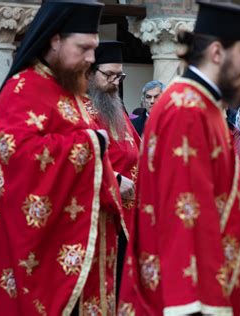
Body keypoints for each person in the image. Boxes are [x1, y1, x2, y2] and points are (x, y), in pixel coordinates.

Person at [117, 2, 240, 315]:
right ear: (217, 52)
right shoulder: (187, 110)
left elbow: (201, 190)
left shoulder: (203, 104)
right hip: (188, 296)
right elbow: (181, 212)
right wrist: (193, 305)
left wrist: (237, 193)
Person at [0, 1, 123, 314]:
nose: (91, 59)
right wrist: (90, 144)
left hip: (87, 246)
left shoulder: (70, 89)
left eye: (93, 49)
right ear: (55, 40)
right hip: (49, 253)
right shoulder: (21, 89)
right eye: (84, 48)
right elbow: (17, 157)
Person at [86, 40, 141, 296]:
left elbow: (139, 152)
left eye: (120, 75)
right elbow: (79, 159)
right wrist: (116, 179)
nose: (116, 82)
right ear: (89, 72)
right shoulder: (82, 112)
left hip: (129, 215)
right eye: (108, 75)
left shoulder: (117, 110)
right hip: (101, 216)